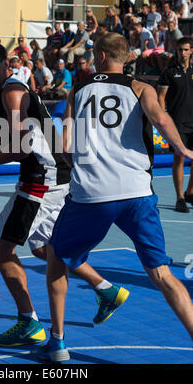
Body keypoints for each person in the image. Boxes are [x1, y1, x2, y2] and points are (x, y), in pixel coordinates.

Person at [0, 41, 128, 348]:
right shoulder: (8, 92)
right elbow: (21, 142)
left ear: (5, 64)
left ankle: (28, 322)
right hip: (53, 176)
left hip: (41, 180)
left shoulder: (11, 92)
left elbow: (20, 150)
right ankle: (106, 289)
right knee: (42, 248)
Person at [38, 33, 193, 362]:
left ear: (101, 56)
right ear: (126, 58)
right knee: (163, 274)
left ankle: (58, 343)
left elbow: (65, 147)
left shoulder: (78, 90)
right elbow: (161, 119)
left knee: (56, 258)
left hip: (92, 194)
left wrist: (78, 165)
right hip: (137, 192)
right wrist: (183, 149)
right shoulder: (141, 88)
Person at [157, 36, 193, 213]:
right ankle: (180, 197)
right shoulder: (169, 72)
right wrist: (163, 119)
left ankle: (190, 192)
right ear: (176, 51)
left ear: (191, 51)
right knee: (179, 158)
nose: (183, 53)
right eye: (180, 50)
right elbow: (161, 98)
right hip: (177, 122)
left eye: (186, 49)